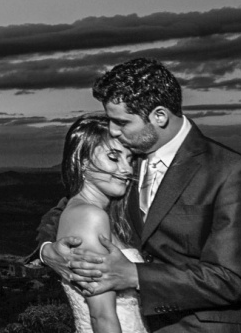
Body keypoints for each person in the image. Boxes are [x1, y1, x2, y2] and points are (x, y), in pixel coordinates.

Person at [38, 58, 241, 333]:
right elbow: (67, 210)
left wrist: (134, 275)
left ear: (159, 116)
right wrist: (47, 251)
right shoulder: (125, 164)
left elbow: (232, 280)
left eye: (121, 121)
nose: (112, 130)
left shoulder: (229, 171)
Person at [56, 114, 147, 333]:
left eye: (130, 159)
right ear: (83, 162)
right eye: (114, 158)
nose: (127, 169)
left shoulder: (98, 215)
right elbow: (102, 318)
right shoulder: (89, 216)